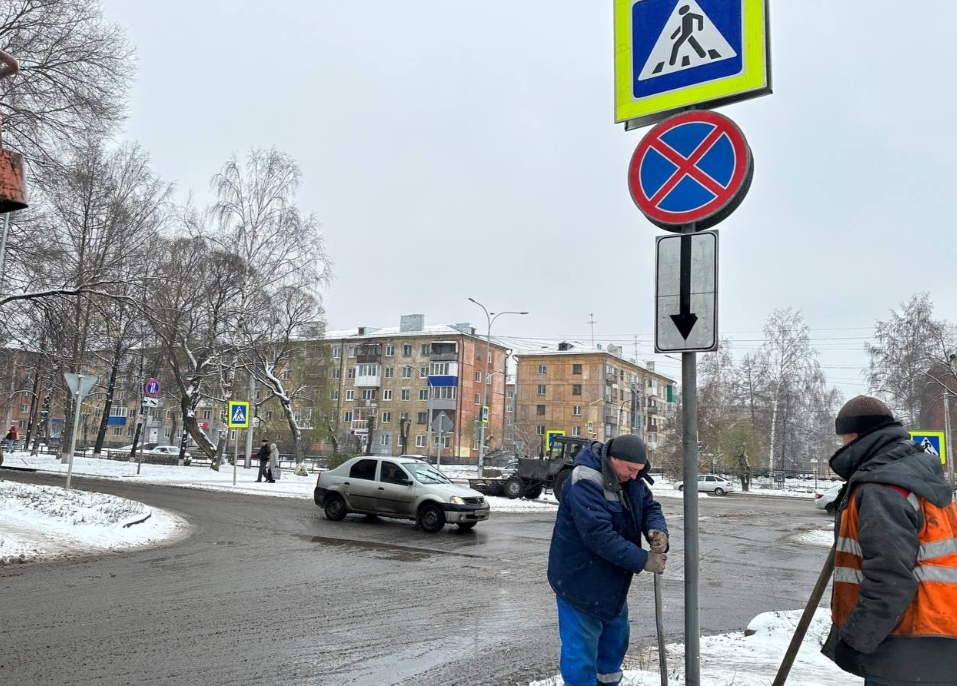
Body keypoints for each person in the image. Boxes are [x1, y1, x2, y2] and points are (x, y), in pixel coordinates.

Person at [822, 395, 957, 686]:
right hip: (938, 634)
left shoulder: (882, 487)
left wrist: (856, 639)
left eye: (844, 438)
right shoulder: (922, 478)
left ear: (856, 436)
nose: (843, 445)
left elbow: (889, 579)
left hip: (904, 645)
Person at [547, 434, 669, 686]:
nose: (635, 476)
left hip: (612, 583)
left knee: (614, 644)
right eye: (631, 469)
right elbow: (598, 535)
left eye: (639, 471)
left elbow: (650, 507)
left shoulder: (631, 479)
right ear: (614, 459)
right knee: (581, 652)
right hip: (579, 582)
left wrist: (656, 530)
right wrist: (643, 559)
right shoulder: (585, 480)